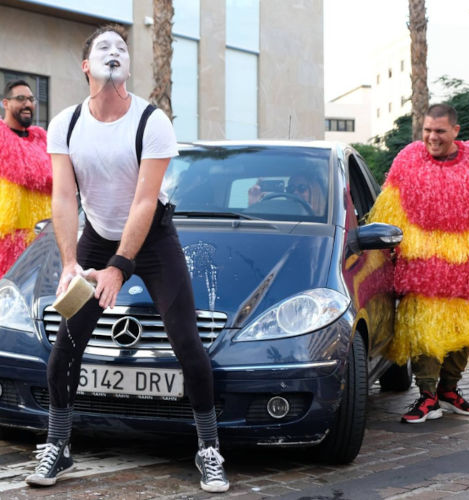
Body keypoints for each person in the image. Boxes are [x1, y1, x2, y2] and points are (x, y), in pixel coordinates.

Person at [25, 25, 229, 492]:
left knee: (187, 344)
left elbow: (143, 201)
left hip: (153, 241)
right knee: (65, 347)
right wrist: (71, 263)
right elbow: (63, 196)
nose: (113, 52)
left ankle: (209, 448)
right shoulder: (66, 124)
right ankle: (59, 446)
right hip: (95, 237)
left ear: (128, 66)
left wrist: (120, 267)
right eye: (103, 47)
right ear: (86, 66)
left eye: (121, 48)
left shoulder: (152, 121)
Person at [369, 103, 469, 424]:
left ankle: (449, 391)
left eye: (439, 131)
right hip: (423, 274)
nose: (432, 137)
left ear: (455, 131)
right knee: (424, 334)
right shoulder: (408, 162)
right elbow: (390, 215)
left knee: (465, 335)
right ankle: (427, 396)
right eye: (427, 130)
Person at [0, 80, 52, 277]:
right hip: (5, 243)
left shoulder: (42, 139)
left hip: (40, 244)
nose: (27, 104)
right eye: (20, 99)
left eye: (31, 99)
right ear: (6, 103)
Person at [248, 172, 325, 215]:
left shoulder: (323, 221)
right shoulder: (280, 215)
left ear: (315, 193)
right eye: (291, 189)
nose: (295, 192)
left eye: (302, 188)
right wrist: (254, 204)